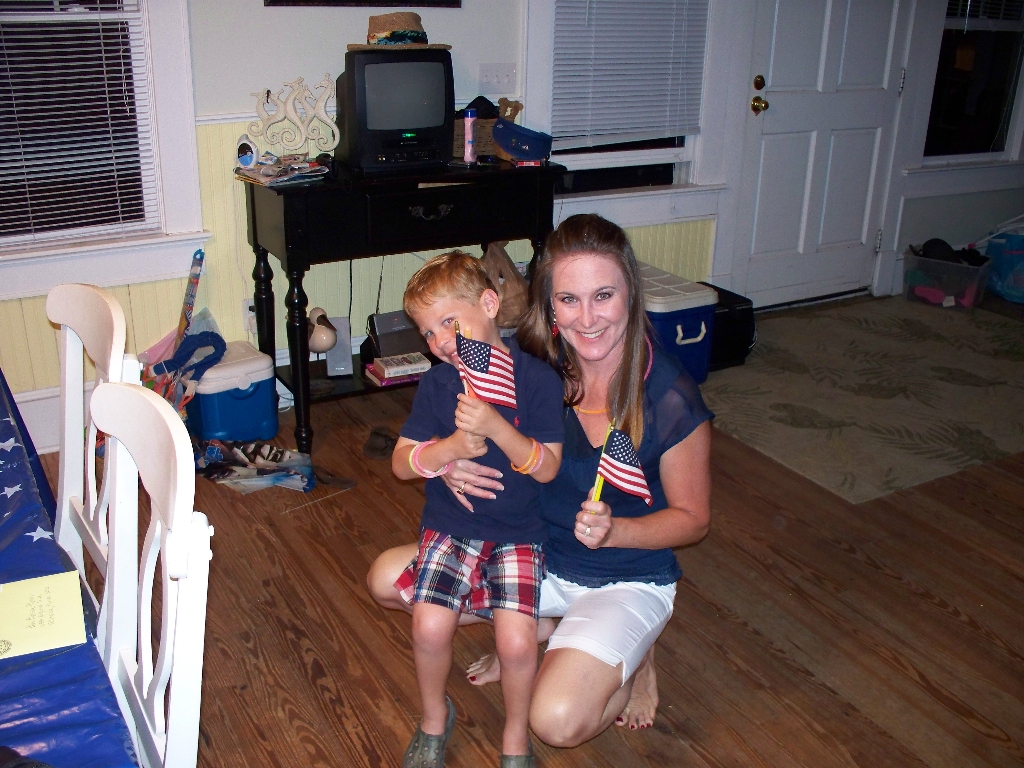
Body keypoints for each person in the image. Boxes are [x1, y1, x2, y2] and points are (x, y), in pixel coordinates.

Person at [368, 213, 712, 749]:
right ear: (549, 305)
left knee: (554, 722)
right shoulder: (533, 368)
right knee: (388, 581)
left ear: (630, 294)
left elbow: (694, 521)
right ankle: (538, 628)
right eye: (569, 299)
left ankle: (635, 657)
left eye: (604, 296)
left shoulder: (670, 396)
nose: (587, 319)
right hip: (532, 550)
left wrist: (617, 531)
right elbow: (459, 429)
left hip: (622, 576)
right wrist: (448, 462)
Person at [388, 251, 565, 768]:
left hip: (519, 532)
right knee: (428, 627)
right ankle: (433, 718)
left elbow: (548, 468)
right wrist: (445, 452)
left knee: (516, 644)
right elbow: (401, 463)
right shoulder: (437, 384)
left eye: (449, 322)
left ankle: (515, 735)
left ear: (489, 304)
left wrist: (494, 427)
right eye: (428, 333)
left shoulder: (536, 380)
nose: (440, 341)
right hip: (451, 526)